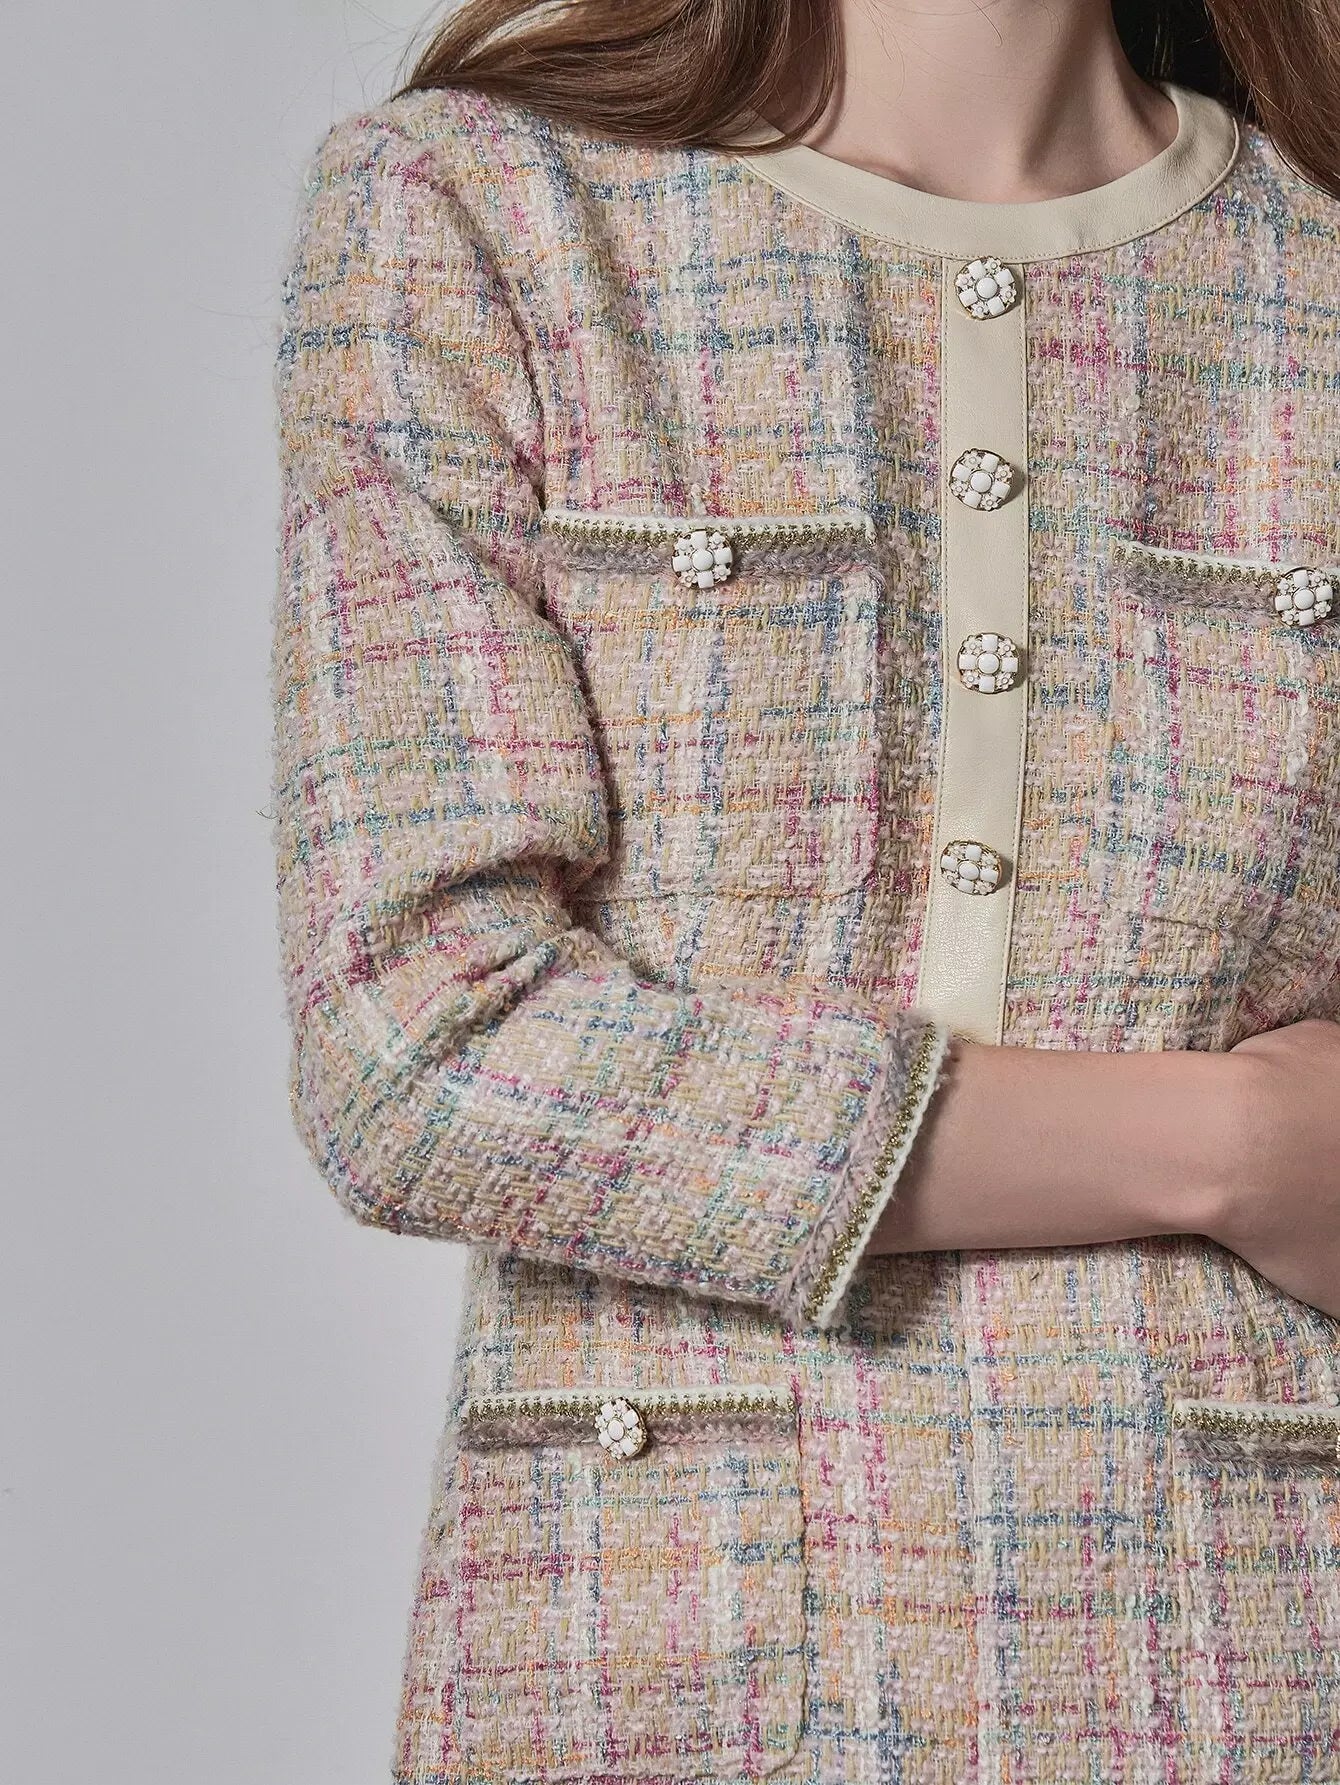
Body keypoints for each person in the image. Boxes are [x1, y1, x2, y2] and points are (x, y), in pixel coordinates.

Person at [269, 0, 1340, 1777]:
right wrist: (1231, 1145)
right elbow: (420, 1050)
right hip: (664, 1658)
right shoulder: (484, 216)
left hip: (1262, 1661)